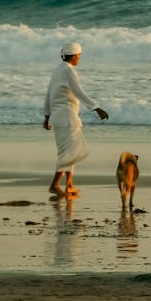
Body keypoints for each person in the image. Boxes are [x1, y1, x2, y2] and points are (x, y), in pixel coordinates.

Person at [42, 42, 109, 197]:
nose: (79, 58)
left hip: (58, 118)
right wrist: (96, 108)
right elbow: (79, 92)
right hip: (67, 117)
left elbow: (48, 95)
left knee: (68, 152)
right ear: (73, 55)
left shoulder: (57, 71)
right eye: (79, 55)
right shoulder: (69, 71)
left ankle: (69, 185)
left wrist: (47, 116)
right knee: (68, 153)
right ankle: (54, 185)